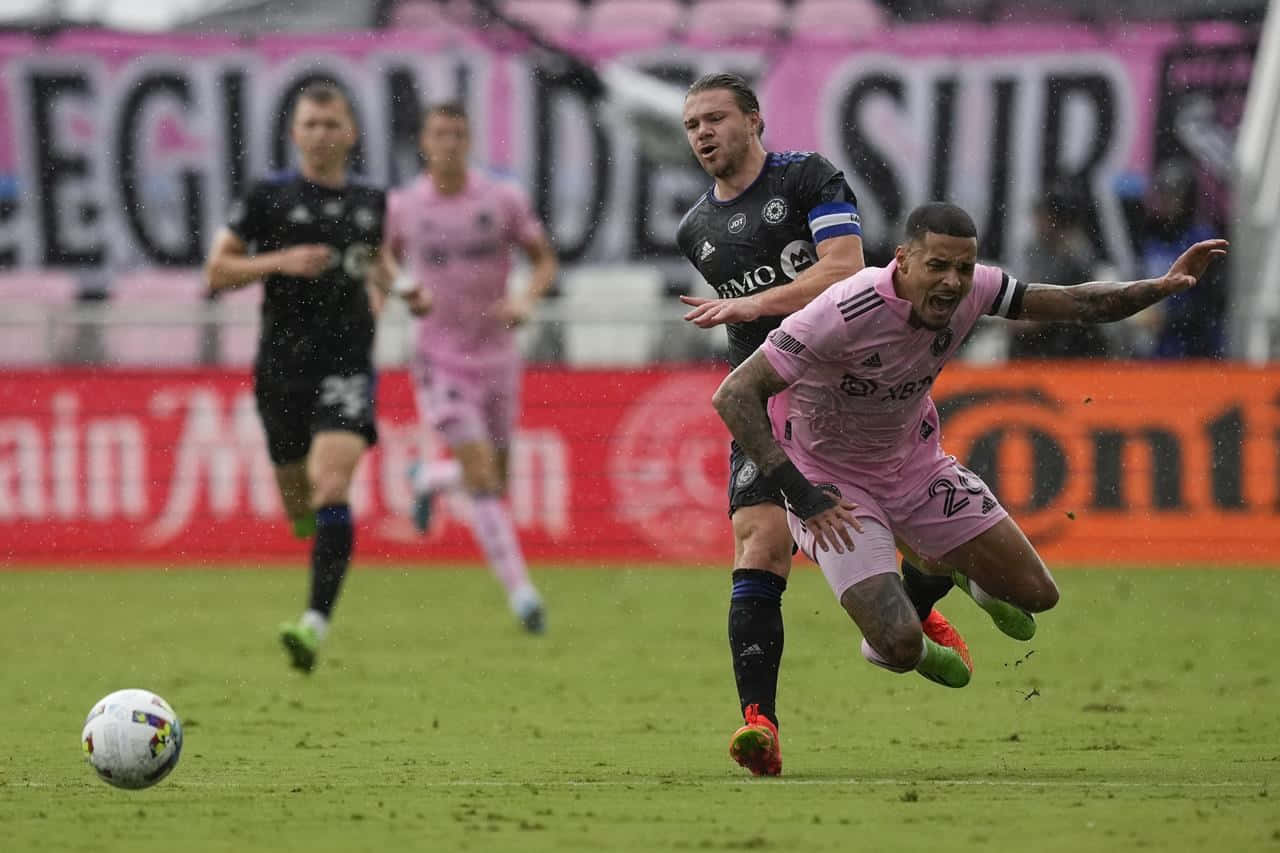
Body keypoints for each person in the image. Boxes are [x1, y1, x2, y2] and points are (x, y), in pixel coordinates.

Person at [711, 201, 1227, 769]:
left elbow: (1076, 302)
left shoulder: (977, 288)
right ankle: (913, 609)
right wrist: (802, 496)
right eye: (938, 266)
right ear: (903, 260)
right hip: (831, 483)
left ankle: (950, 568)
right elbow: (735, 395)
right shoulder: (843, 309)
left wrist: (1158, 286)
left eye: (964, 267)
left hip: (915, 464)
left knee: (1038, 596)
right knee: (902, 647)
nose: (953, 282)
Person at [675, 73, 985, 778]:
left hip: (852, 389)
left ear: (753, 119)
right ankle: (760, 724)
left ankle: (925, 593)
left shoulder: (811, 177)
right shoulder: (695, 230)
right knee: (758, 541)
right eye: (691, 124)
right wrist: (747, 321)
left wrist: (751, 306)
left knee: (899, 519)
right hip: (769, 402)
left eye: (715, 118)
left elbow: (845, 270)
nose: (702, 133)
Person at [204, 81, 391, 673]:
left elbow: (377, 263)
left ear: (350, 132)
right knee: (299, 504)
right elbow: (216, 271)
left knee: (332, 485)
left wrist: (390, 295)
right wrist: (279, 261)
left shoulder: (372, 200)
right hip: (282, 367)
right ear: (295, 133)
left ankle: (312, 624)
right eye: (310, 124)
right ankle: (312, 534)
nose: (320, 134)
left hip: (347, 362)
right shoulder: (268, 198)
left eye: (331, 124)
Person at [383, 101, 558, 634]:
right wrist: (402, 288)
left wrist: (526, 299)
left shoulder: (501, 199)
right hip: (440, 359)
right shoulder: (405, 206)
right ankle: (523, 595)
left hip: (498, 355)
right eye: (440, 134)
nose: (450, 144)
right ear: (424, 143)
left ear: (469, 140)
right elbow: (381, 259)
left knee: (495, 477)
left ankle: (430, 478)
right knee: (482, 475)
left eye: (459, 134)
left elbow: (544, 259)